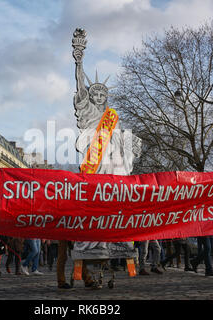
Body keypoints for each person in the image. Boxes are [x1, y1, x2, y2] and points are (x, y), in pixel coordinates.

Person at [71, 28, 142, 285]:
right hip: (95, 159)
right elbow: (80, 84)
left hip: (115, 161)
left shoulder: (113, 117)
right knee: (96, 198)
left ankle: (118, 238)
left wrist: (130, 145)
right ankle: (95, 240)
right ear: (90, 96)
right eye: (96, 93)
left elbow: (122, 141)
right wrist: (79, 61)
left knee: (116, 197)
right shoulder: (88, 109)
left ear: (107, 97)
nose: (99, 96)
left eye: (103, 94)